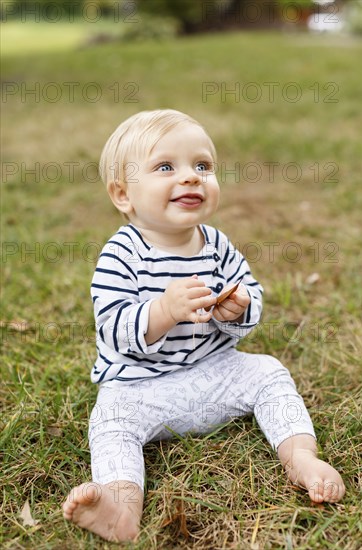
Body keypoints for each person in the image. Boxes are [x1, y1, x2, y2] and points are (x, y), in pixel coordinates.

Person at [62, 109, 345, 542]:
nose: (191, 177)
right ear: (123, 194)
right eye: (164, 167)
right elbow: (113, 327)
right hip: (141, 389)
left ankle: (301, 458)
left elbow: (249, 289)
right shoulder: (122, 253)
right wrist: (162, 310)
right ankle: (119, 503)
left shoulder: (216, 243)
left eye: (203, 166)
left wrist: (240, 308)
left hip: (213, 377)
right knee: (110, 421)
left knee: (268, 371)